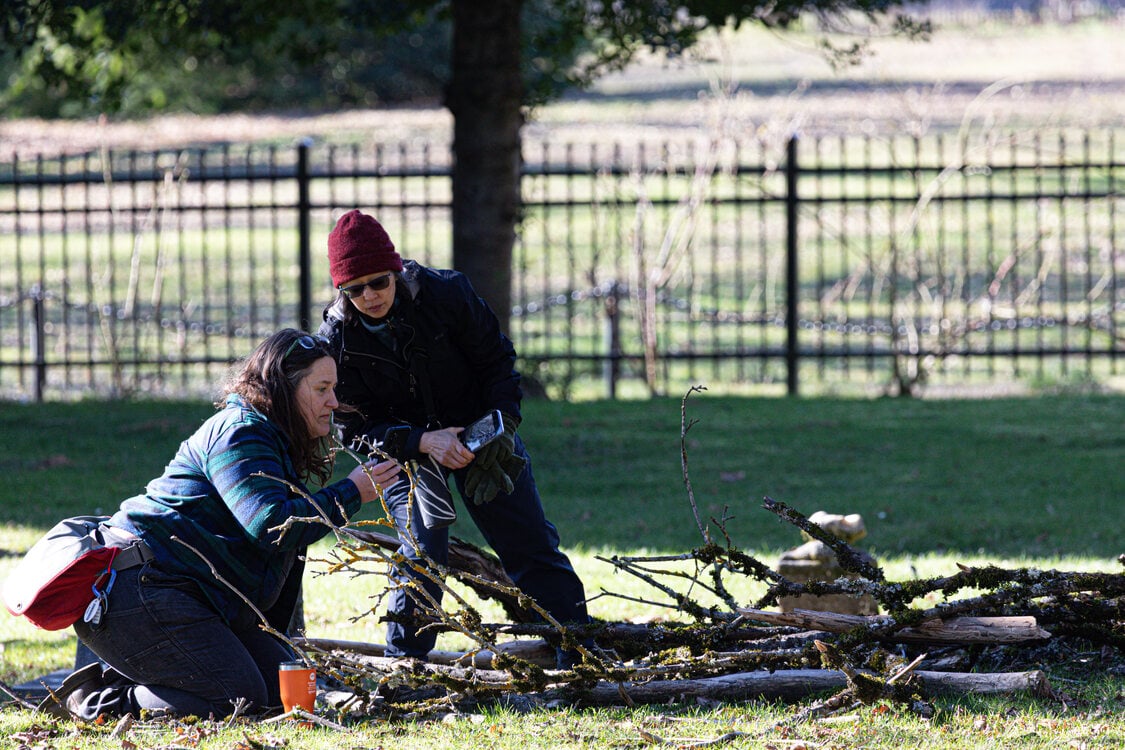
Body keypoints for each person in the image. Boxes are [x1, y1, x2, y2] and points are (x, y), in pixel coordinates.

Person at [40, 329, 401, 720]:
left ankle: (142, 677)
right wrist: (351, 492)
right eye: (322, 389)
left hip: (185, 595)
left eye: (334, 388)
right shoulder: (241, 432)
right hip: (136, 590)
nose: (334, 401)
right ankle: (98, 699)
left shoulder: (271, 437)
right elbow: (272, 525)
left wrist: (276, 643)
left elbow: (274, 551)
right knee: (236, 700)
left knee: (276, 690)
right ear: (284, 388)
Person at [317, 209, 590, 668]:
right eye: (354, 289)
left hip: (479, 434)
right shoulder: (336, 340)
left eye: (379, 282)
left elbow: (498, 362)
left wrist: (498, 426)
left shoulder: (446, 293)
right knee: (423, 547)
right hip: (407, 451)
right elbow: (349, 426)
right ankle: (404, 666)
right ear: (341, 291)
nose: (369, 296)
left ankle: (579, 651)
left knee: (527, 541)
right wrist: (422, 442)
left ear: (397, 269)